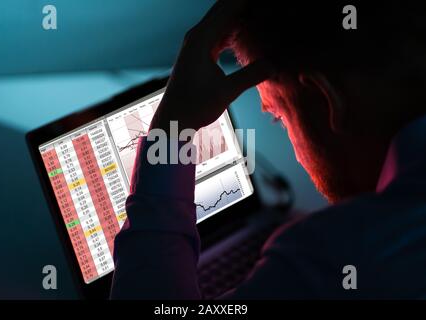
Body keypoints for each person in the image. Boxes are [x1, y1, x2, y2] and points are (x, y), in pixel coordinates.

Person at [110, 0, 426, 299]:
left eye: (278, 118)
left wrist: (170, 131)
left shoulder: (337, 255)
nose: (296, 153)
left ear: (325, 99)